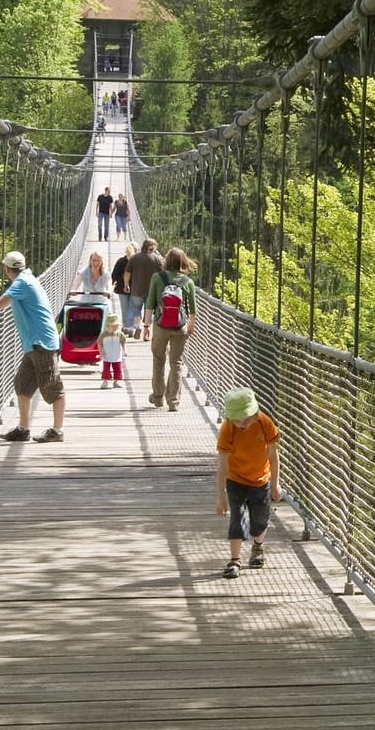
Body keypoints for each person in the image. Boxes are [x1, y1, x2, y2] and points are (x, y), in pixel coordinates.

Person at [0, 250, 65, 443]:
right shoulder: (27, 278)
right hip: (34, 343)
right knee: (22, 384)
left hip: (41, 343)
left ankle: (57, 431)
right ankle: (23, 429)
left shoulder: (22, 283)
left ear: (6, 269)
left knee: (52, 387)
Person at [214, 386, 281, 577]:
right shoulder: (228, 428)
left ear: (254, 412)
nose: (241, 423)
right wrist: (220, 498)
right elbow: (222, 466)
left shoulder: (264, 423)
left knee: (260, 521)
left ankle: (258, 547)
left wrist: (275, 484)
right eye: (236, 420)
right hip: (235, 479)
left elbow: (273, 455)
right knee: (238, 519)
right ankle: (234, 560)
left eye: (245, 418)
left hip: (260, 480)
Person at [146, 246, 198, 412]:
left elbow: (150, 302)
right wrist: (190, 325)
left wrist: (146, 325)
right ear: (183, 261)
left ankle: (158, 398)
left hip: (161, 325)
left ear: (166, 261)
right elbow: (193, 309)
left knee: (158, 360)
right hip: (180, 326)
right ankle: (173, 402)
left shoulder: (156, 277)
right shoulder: (188, 282)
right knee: (176, 362)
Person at [126, 238, 165, 341]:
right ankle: (146, 332)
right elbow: (164, 275)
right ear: (151, 247)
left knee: (136, 309)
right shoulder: (157, 259)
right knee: (149, 311)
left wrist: (126, 284)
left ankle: (137, 326)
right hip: (152, 291)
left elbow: (127, 273)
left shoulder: (134, 258)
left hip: (136, 289)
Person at [111, 243, 136, 336]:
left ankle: (125, 326)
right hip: (135, 288)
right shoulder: (137, 261)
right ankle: (131, 327)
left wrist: (113, 281)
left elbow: (114, 274)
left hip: (121, 288)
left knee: (124, 308)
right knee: (133, 308)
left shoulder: (121, 261)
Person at [98, 313, 126, 389]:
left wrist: (124, 350)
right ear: (107, 326)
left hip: (117, 354)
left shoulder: (119, 334)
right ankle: (105, 381)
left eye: (116, 326)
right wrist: (101, 352)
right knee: (106, 369)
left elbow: (123, 341)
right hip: (107, 354)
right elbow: (100, 343)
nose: (115, 328)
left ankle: (116, 381)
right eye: (113, 326)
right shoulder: (104, 334)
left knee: (118, 368)